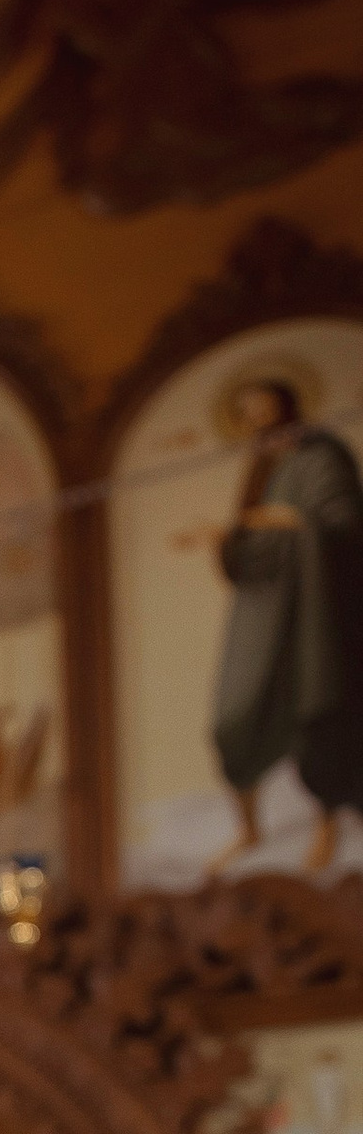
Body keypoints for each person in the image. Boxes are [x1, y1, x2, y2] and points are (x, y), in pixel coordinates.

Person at [208, 372, 363, 875]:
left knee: (317, 713)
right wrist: (226, 545)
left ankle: (327, 826)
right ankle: (249, 831)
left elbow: (343, 524)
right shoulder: (260, 468)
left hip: (314, 605)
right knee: (232, 719)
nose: (256, 420)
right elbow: (247, 548)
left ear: (286, 407)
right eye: (247, 414)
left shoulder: (320, 455)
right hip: (261, 609)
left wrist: (293, 524)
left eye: (262, 409)